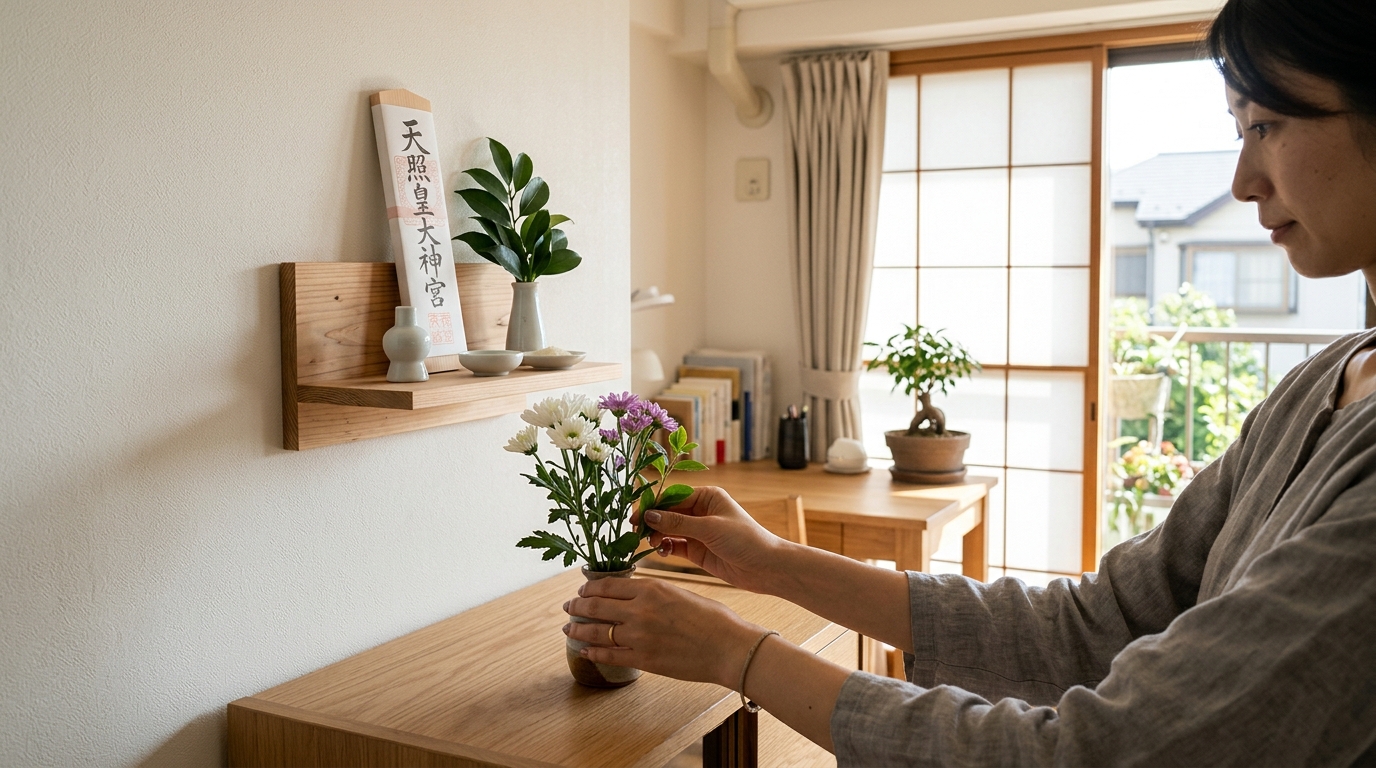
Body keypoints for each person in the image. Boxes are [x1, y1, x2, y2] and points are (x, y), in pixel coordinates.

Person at [564, 0, 1376, 762]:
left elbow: (1090, 753)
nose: (1242, 179)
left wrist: (735, 654)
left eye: (1266, 124)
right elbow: (1093, 625)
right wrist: (770, 563)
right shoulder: (1315, 387)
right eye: (1238, 130)